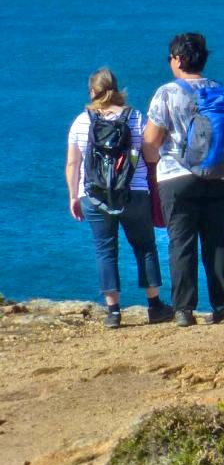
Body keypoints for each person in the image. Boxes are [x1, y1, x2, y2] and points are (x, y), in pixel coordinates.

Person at [142, 32, 224, 327]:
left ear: (179, 59)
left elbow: (151, 142)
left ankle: (184, 310)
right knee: (217, 239)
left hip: (178, 176)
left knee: (181, 242)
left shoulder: (167, 93)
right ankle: (223, 307)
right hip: (222, 174)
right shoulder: (222, 90)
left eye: (170, 57)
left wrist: (149, 159)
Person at [65, 69, 173, 328]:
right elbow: (150, 154)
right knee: (145, 247)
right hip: (133, 193)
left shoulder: (81, 121)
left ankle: (113, 312)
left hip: (93, 195)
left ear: (93, 92)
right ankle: (155, 306)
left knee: (105, 250)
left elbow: (72, 163)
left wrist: (73, 196)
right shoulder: (135, 117)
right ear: (117, 89)